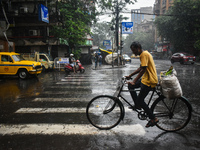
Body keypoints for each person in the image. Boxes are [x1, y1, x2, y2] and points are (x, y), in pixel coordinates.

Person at [125, 42, 159, 128]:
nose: (133, 52)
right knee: (131, 86)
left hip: (149, 80)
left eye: (134, 50)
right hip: (146, 79)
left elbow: (143, 70)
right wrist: (130, 76)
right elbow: (140, 68)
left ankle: (153, 118)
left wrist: (134, 80)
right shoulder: (144, 54)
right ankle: (138, 105)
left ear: (138, 48)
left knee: (140, 99)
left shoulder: (144, 54)